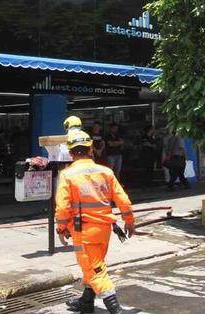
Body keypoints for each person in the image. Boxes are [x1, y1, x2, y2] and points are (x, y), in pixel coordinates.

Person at [55, 129, 135, 314]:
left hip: (82, 233)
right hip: (104, 230)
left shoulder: (68, 175)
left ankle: (116, 310)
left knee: (95, 270)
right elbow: (123, 199)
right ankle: (86, 303)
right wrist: (129, 220)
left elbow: (62, 207)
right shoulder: (106, 172)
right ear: (90, 149)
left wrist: (61, 229)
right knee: (93, 264)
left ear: (70, 153)